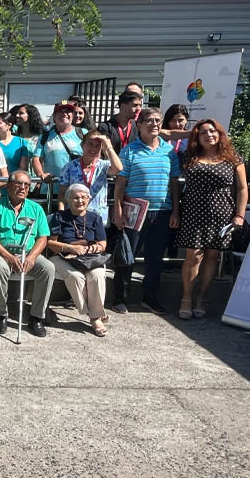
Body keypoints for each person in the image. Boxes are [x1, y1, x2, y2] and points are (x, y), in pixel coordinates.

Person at [112, 107, 181, 315]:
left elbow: (175, 183)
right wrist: (118, 209)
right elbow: (120, 184)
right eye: (149, 120)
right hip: (135, 211)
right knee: (127, 256)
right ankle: (119, 298)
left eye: (157, 120)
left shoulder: (169, 151)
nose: (154, 124)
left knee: (155, 258)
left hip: (162, 211)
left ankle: (150, 298)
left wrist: (176, 211)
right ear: (139, 125)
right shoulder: (129, 150)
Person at [176, 119, 247, 320]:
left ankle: (201, 299)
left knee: (212, 258)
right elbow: (164, 134)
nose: (209, 135)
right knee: (192, 257)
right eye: (203, 132)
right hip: (193, 213)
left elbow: (242, 188)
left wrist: (239, 215)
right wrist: (187, 132)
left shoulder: (233, 158)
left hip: (222, 215)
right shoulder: (188, 157)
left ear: (220, 133)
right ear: (197, 137)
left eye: (212, 131)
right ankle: (186, 298)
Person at [0, 171, 55, 337]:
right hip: (1, 253)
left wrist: (32, 257)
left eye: (26, 185)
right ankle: (0, 314)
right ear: (8, 185)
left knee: (48, 268)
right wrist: (8, 256)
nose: (23, 188)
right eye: (18, 183)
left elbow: (43, 237)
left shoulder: (36, 209)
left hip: (27, 253)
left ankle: (36, 317)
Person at [47, 184, 110, 337]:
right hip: (63, 256)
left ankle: (94, 316)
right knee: (76, 277)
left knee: (97, 276)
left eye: (83, 197)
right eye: (75, 197)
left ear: (88, 199)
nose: (80, 200)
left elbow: (102, 244)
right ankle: (95, 316)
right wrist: (70, 248)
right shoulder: (59, 217)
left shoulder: (95, 217)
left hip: (89, 257)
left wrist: (88, 250)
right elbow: (50, 243)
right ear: (68, 200)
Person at [57, 131, 122, 225]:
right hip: (74, 217)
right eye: (90, 144)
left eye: (97, 145)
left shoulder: (103, 165)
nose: (93, 148)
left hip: (98, 218)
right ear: (82, 145)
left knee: (98, 240)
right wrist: (61, 215)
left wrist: (108, 146)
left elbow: (118, 168)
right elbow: (62, 194)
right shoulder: (69, 167)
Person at [33, 102, 86, 194]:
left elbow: (95, 156)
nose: (64, 114)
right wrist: (41, 174)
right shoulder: (45, 136)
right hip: (51, 188)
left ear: (72, 116)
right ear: (54, 116)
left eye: (68, 111)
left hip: (76, 190)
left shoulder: (83, 133)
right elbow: (36, 158)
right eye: (60, 111)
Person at [97, 90, 142, 154]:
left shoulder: (138, 126)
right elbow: (102, 152)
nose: (139, 109)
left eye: (140, 105)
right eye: (135, 105)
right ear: (123, 106)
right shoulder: (105, 128)